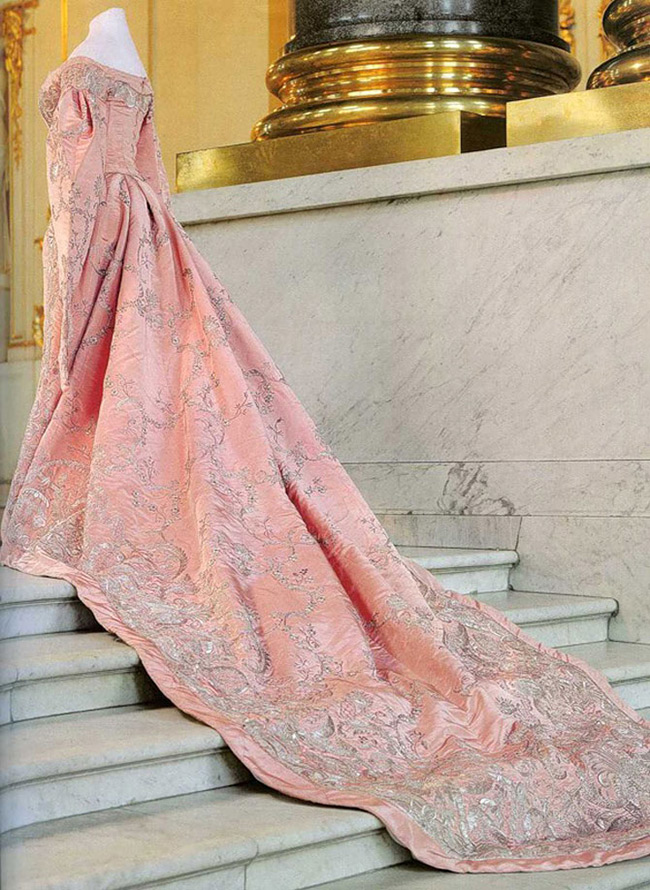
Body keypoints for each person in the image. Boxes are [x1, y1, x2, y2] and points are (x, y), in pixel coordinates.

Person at [1, 8, 649, 874]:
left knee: (156, 393)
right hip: (126, 224)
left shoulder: (94, 70)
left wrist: (92, 241)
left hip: (107, 224)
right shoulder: (116, 64)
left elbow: (95, 171)